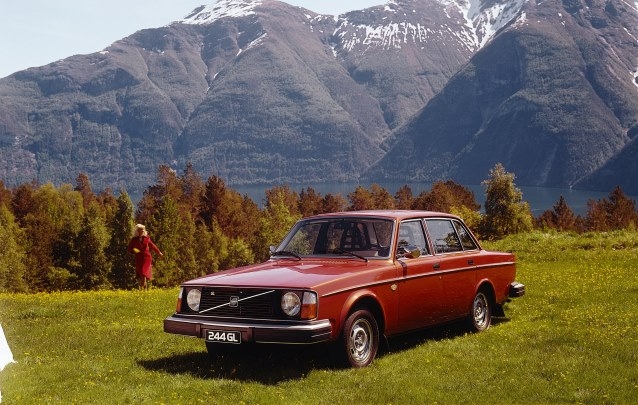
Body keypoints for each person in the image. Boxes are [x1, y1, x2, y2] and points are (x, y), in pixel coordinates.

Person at [127, 224, 164, 290]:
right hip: (138, 259)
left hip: (147, 258)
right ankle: (144, 290)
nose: (141, 231)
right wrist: (136, 251)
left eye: (142, 230)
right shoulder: (134, 240)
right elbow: (130, 249)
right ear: (137, 231)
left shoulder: (147, 239)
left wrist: (159, 252)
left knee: (144, 273)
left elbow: (153, 246)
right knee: (141, 275)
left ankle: (143, 290)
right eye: (140, 230)